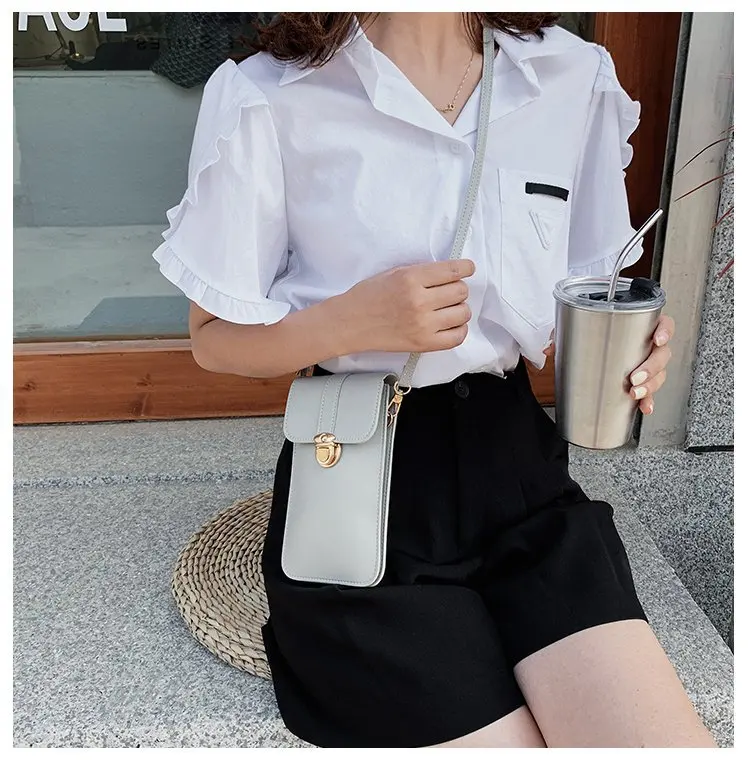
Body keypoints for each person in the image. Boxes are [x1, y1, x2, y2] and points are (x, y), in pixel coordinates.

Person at [152, 12, 716, 749]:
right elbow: (212, 340)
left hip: (524, 486)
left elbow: (586, 290)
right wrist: (352, 322)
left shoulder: (567, 77)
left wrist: (634, 347)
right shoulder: (269, 95)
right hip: (363, 492)